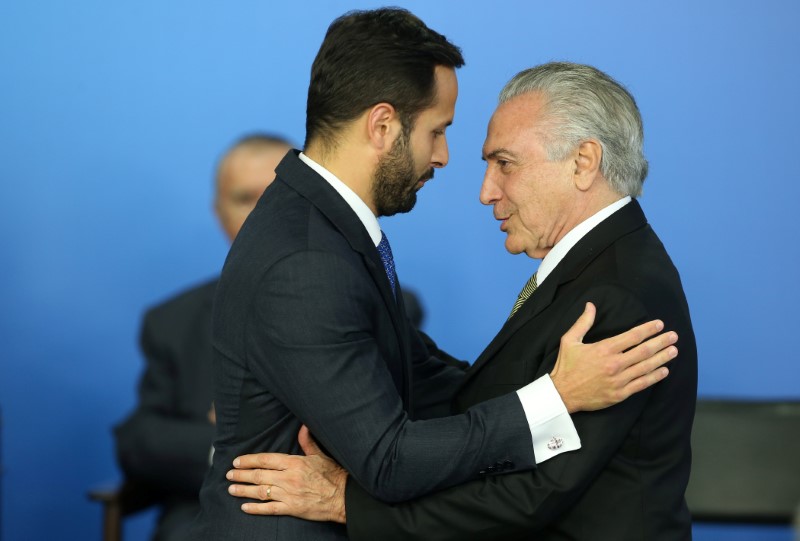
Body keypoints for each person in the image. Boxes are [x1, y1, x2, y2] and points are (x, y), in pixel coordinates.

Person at [190, 10, 677, 541]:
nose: (444, 158)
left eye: (504, 163)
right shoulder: (309, 259)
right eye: (437, 131)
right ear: (382, 126)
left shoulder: (327, 232)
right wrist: (555, 396)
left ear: (584, 162)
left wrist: (556, 392)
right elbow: (390, 459)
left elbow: (420, 375)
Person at [113, 133, 291, 541]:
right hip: (205, 512)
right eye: (246, 198)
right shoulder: (172, 322)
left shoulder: (380, 306)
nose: (261, 214)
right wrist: (227, 448)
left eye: (277, 195)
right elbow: (140, 441)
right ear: (219, 213)